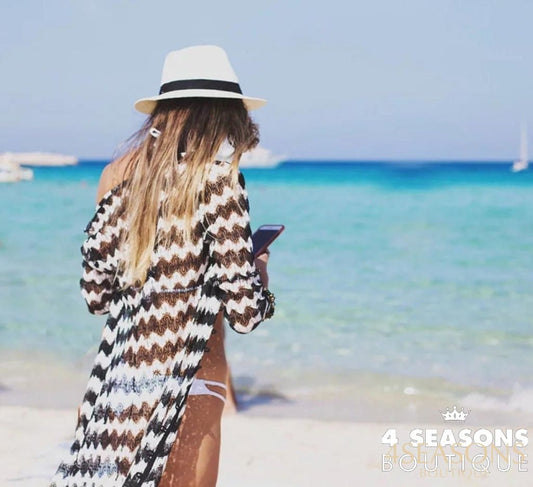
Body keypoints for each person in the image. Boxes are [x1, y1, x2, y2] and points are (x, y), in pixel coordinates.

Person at [49, 45, 275, 487]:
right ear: (222, 115)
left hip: (119, 386)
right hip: (191, 381)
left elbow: (96, 297)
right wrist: (259, 273)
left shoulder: (116, 176)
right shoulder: (219, 180)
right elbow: (245, 313)